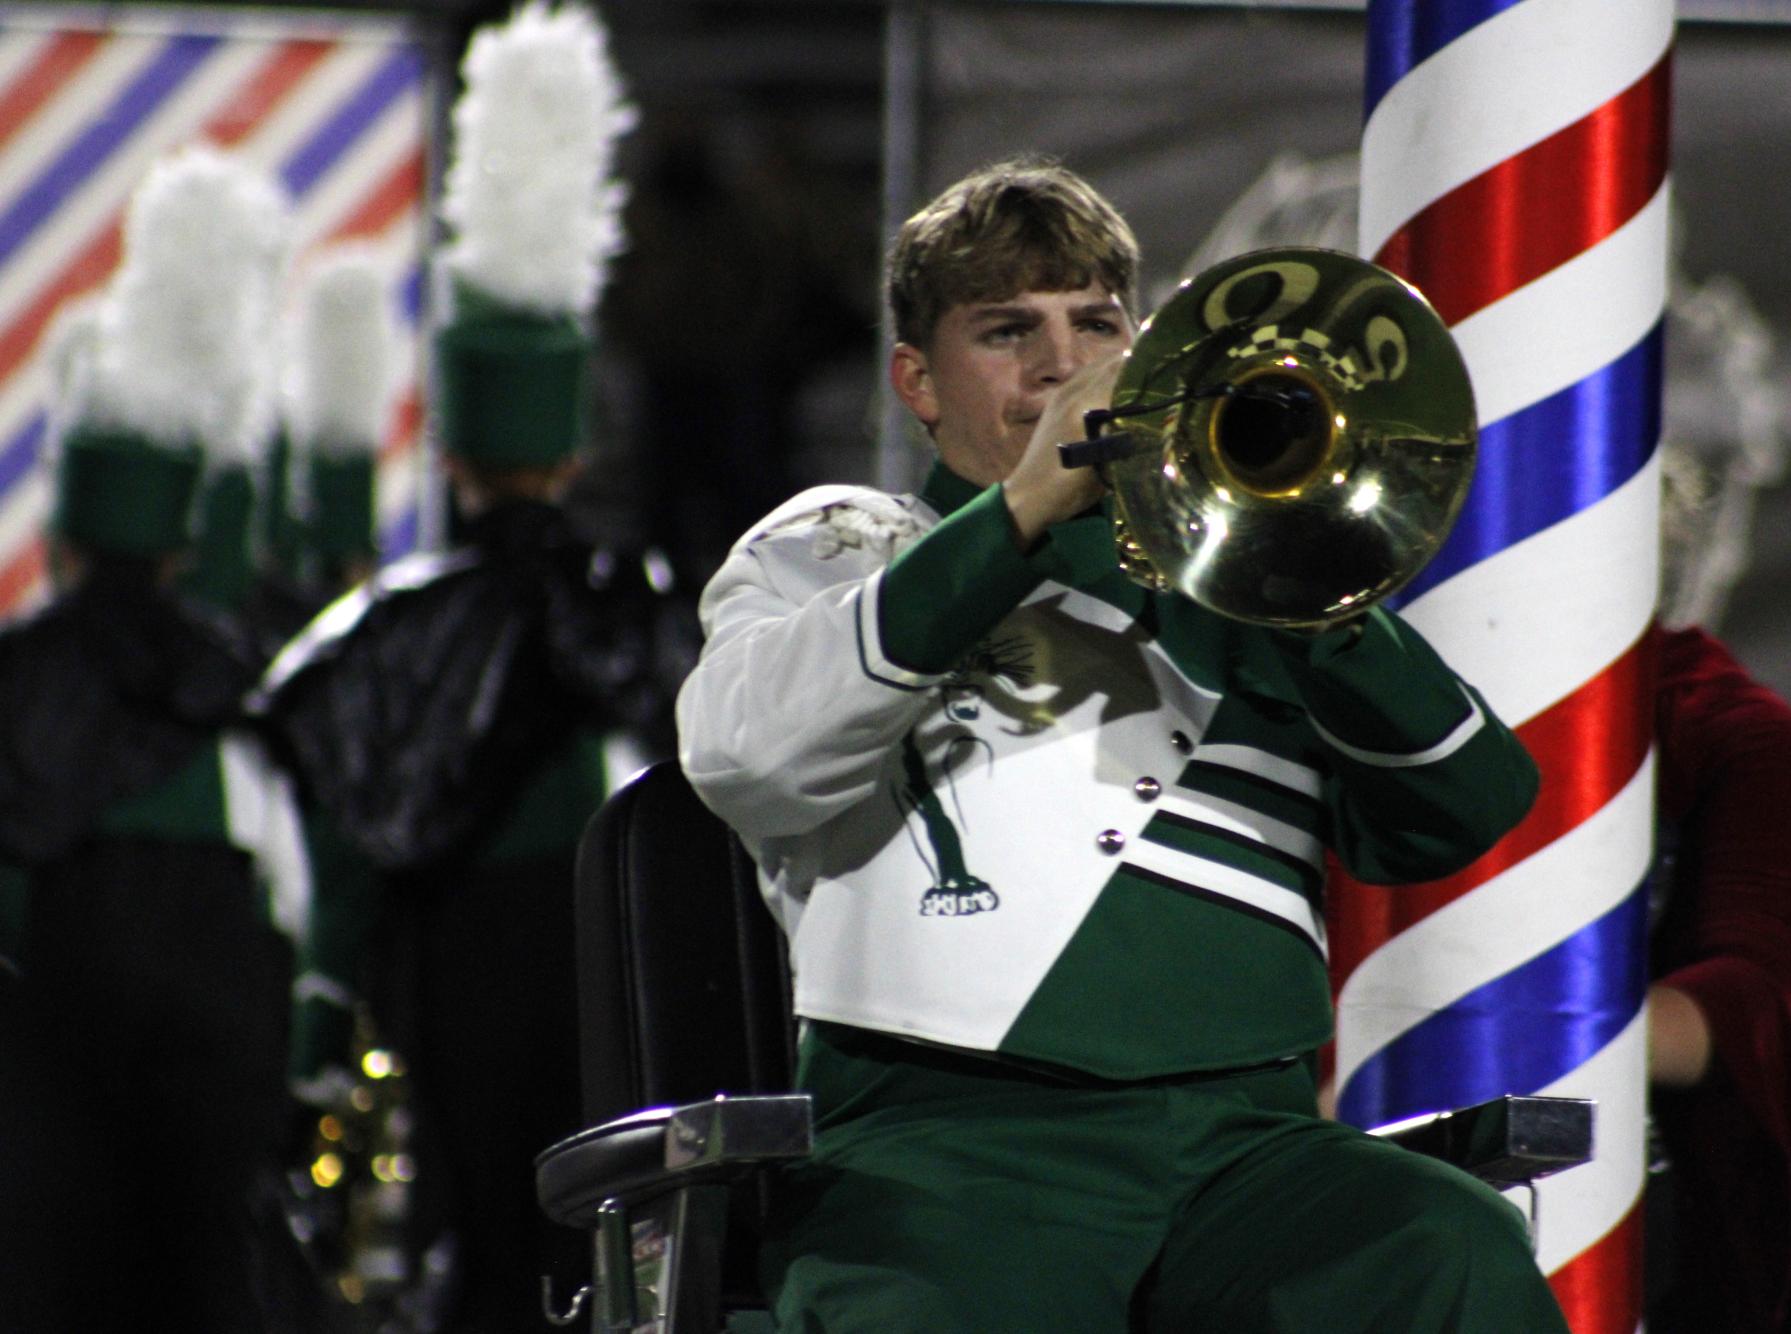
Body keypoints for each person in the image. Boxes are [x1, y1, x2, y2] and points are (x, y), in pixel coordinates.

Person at [675, 157, 1568, 1333]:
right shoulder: (848, 544)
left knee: (1449, 1248)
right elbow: (749, 756)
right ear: (918, 383)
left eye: (1095, 322)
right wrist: (1023, 516)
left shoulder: (1257, 581)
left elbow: (1468, 804)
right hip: (944, 1152)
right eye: (1007, 330)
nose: (1061, 365)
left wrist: (1313, 590)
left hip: (1249, 1150)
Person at [252, 7, 704, 1328]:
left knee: (480, 1235)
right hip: (591, 936)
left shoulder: (398, 625)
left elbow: (354, 827)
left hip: (452, 945)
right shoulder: (626, 602)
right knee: (595, 1219)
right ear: (572, 453)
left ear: (449, 453)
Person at [0, 148, 306, 1331]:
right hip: (209, 1059)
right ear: (178, 550)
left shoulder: (22, 680)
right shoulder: (231, 692)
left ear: (63, 538)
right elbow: (289, 886)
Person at [1642, 446, 1791, 1333]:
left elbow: (1746, 1000)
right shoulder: (1353, 711)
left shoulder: (1735, 736)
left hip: (1642, 1185)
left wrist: (1515, 1037)